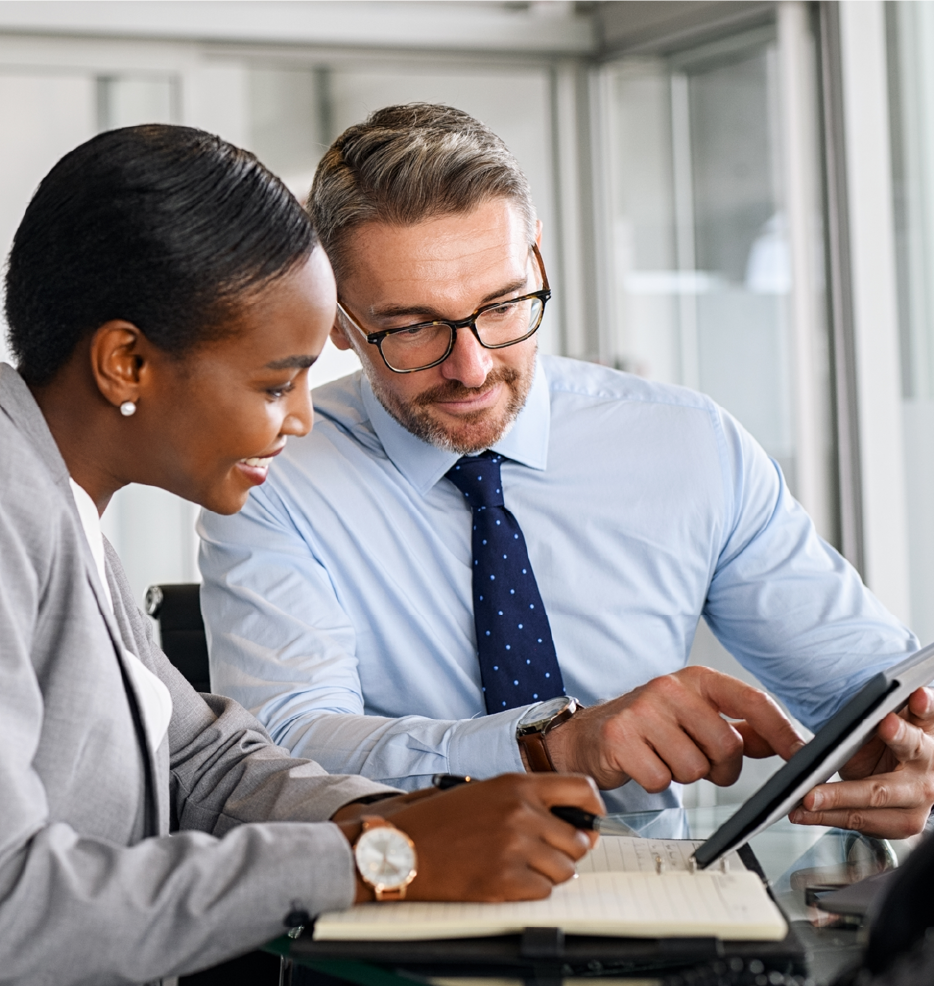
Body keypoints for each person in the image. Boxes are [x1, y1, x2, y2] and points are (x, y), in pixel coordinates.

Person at [0, 125, 606, 986]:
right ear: (128, 362)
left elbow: (203, 759)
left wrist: (417, 821)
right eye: (277, 383)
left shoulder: (53, 499)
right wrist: (384, 857)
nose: (303, 418)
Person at [199, 103, 934, 834]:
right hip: (404, 911)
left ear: (537, 261)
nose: (472, 367)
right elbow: (283, 749)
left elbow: (867, 684)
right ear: (334, 314)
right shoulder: (273, 474)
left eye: (502, 304)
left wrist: (908, 753)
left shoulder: (686, 444)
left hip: (668, 907)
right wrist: (543, 749)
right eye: (412, 327)